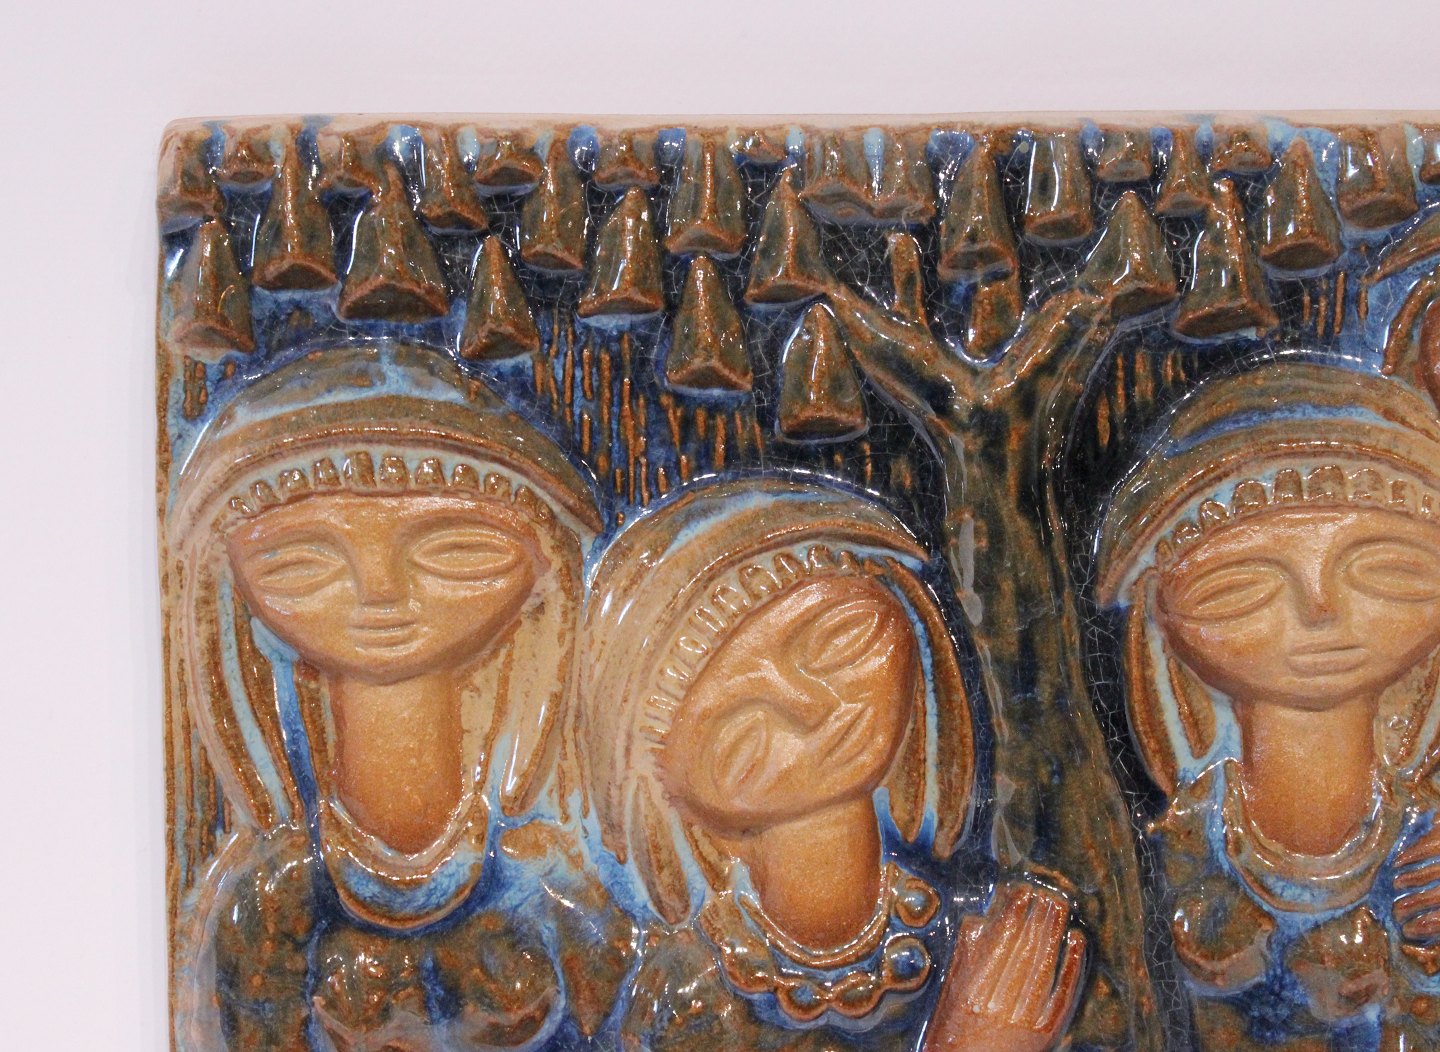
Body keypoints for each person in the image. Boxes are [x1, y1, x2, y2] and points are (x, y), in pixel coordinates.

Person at [169, 343, 635, 1050]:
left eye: (455, 550)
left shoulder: (552, 884)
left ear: (549, 577)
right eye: (302, 562)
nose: (381, 594)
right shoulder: (271, 897)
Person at [577, 476, 1085, 1051]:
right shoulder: (688, 1002)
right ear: (660, 796)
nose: (811, 708)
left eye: (841, 640)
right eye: (742, 731)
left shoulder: (992, 934)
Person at [1096, 360, 1440, 1049]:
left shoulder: (1422, 847)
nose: (1320, 611)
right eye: (1241, 585)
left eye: (1386, 570)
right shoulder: (1150, 858)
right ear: (1162, 621)